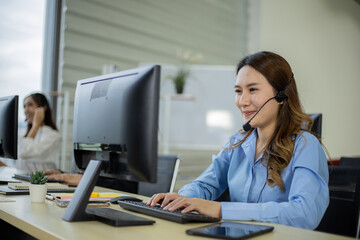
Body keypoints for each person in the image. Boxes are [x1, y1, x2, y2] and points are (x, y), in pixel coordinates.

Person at [147, 51, 329, 230]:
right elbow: (205, 184)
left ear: (281, 95)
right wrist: (183, 199)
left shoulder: (305, 146)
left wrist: (220, 209)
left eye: (252, 90)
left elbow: (305, 213)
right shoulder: (238, 142)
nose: (242, 101)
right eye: (238, 91)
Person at [17, 93, 61, 172]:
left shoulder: (52, 135)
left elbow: (24, 152)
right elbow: (21, 164)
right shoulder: (28, 134)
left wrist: (35, 125)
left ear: (42, 108)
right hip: (24, 181)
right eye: (24, 106)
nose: (25, 111)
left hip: (42, 183)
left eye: (30, 105)